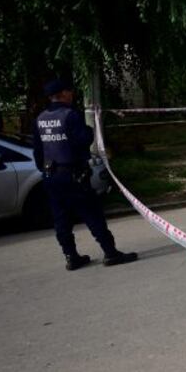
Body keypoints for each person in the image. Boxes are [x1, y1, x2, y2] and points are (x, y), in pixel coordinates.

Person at [33, 79, 137, 271]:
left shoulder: (40, 118)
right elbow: (82, 140)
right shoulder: (71, 115)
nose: (72, 94)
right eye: (69, 91)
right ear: (63, 94)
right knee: (92, 214)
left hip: (51, 176)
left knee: (61, 219)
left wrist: (45, 170)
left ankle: (71, 257)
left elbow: (38, 151)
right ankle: (110, 253)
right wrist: (89, 130)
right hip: (73, 175)